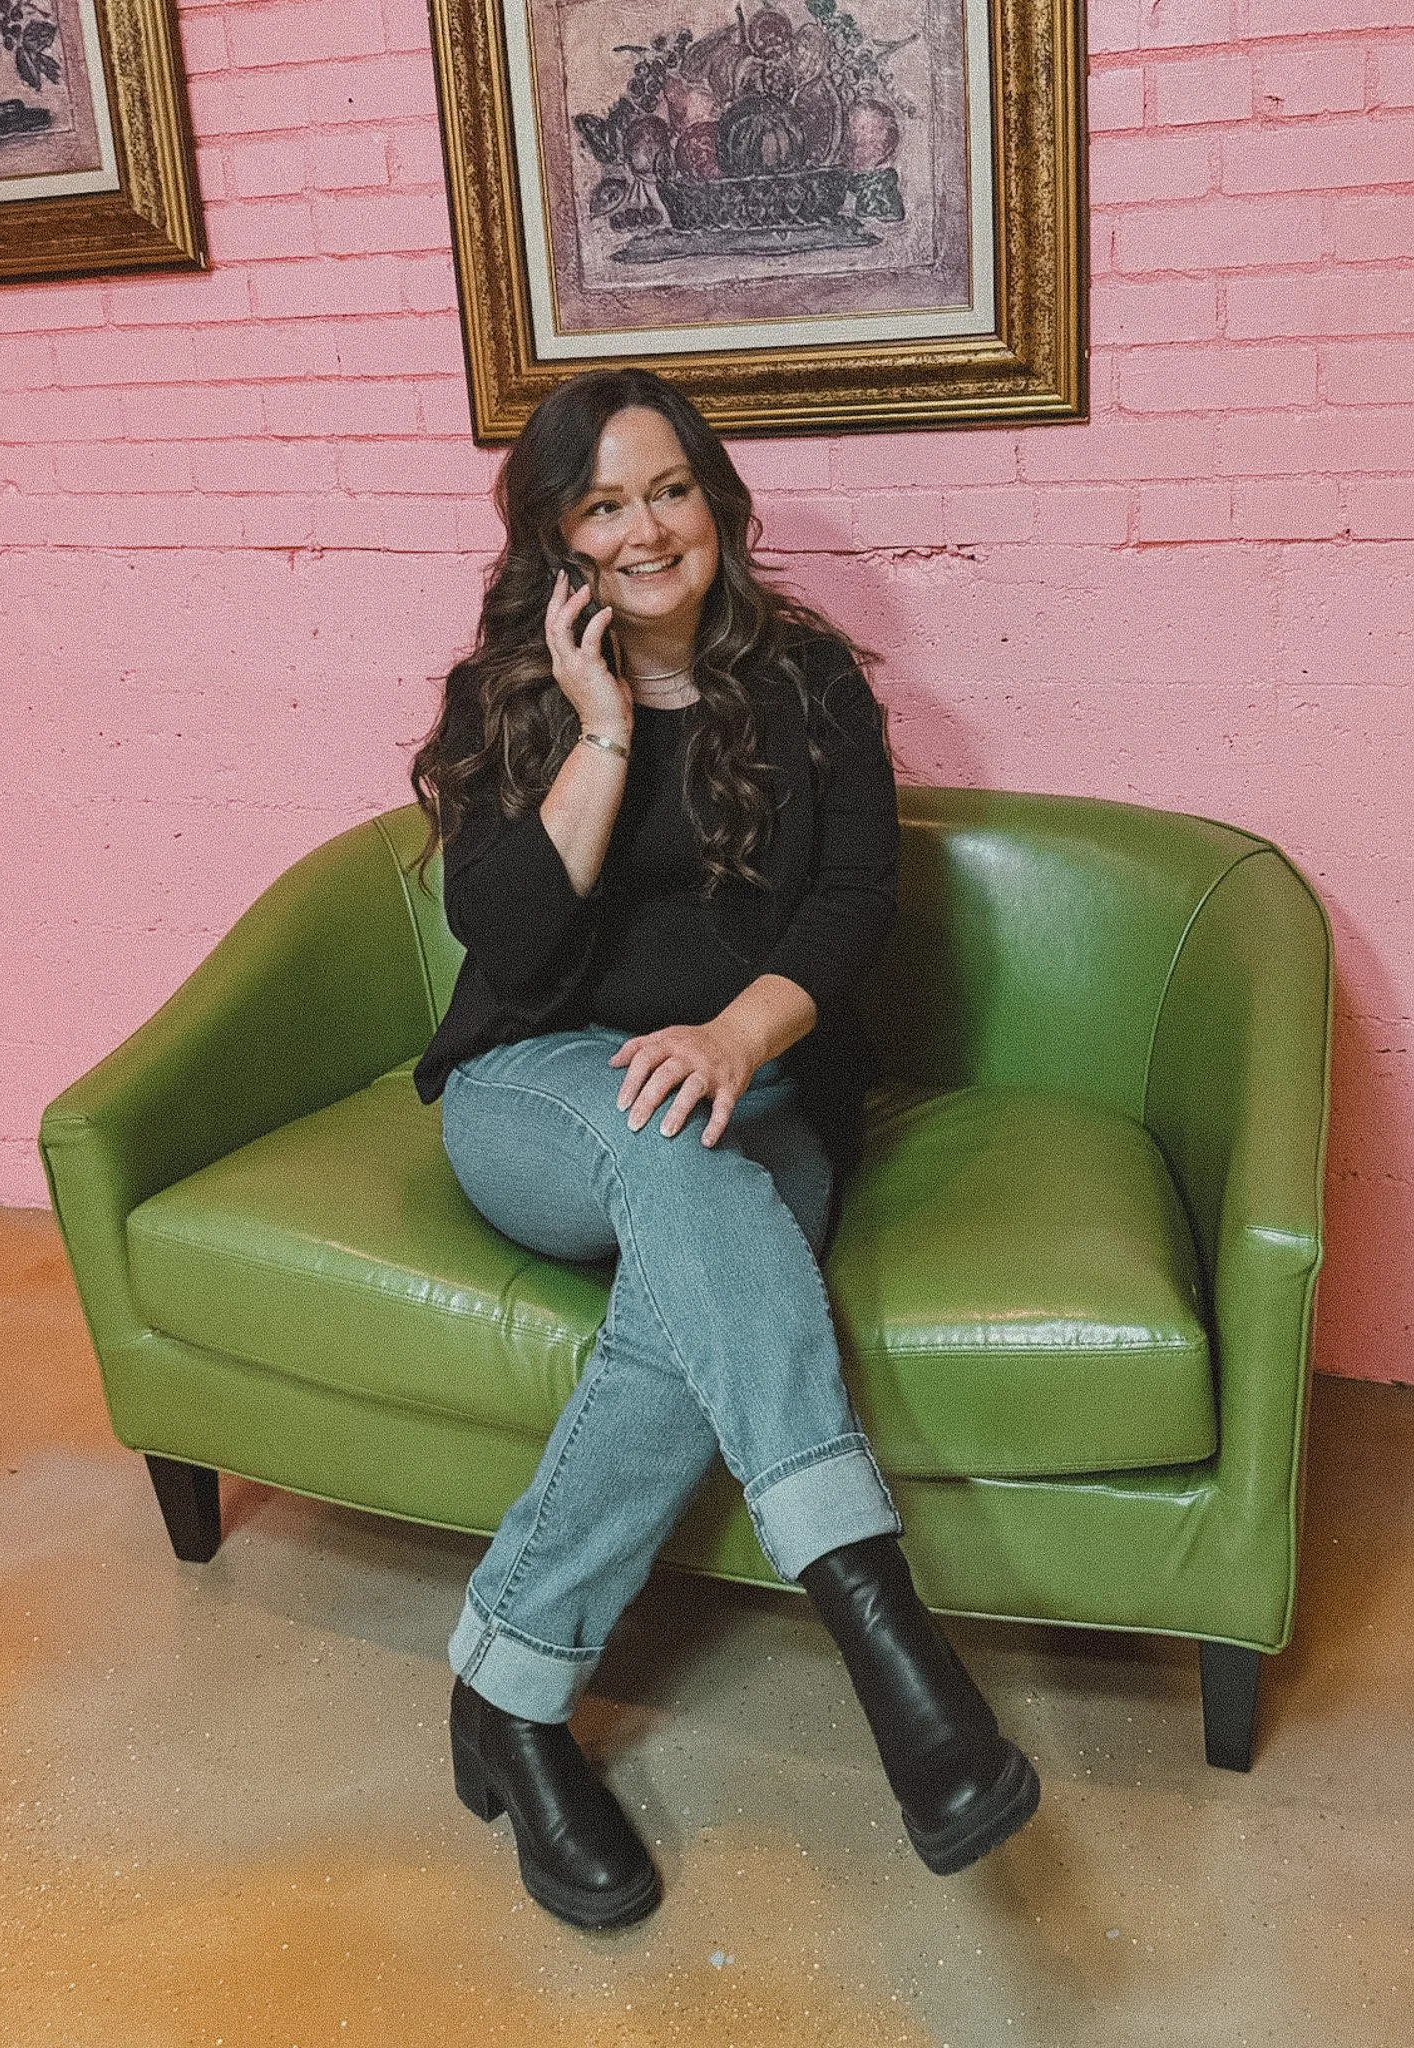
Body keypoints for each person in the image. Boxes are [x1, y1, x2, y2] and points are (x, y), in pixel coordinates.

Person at [407, 367, 1038, 1930]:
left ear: (715, 501)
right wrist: (606, 729)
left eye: (667, 489)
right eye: (602, 503)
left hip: (751, 1100)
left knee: (689, 1256)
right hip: (535, 1090)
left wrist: (737, 1039)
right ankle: (888, 1645)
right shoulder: (510, 693)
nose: (644, 527)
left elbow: (851, 907)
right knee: (669, 1156)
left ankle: (512, 1692)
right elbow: (500, 933)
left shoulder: (809, 683)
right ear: (558, 536)